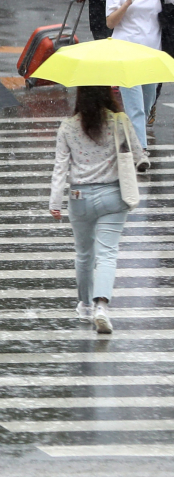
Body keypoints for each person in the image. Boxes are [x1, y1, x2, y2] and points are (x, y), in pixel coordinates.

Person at [49, 86, 142, 334]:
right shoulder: (119, 120)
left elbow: (60, 167)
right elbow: (136, 152)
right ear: (106, 94)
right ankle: (102, 306)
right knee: (107, 254)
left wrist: (55, 202)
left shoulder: (68, 126)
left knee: (84, 254)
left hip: (79, 197)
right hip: (113, 195)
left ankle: (84, 305)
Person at [105, 0, 174, 169]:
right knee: (135, 106)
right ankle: (140, 151)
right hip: (125, 52)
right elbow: (110, 22)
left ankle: (129, 139)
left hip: (152, 54)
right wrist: (127, 3)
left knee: (146, 103)